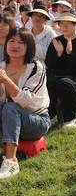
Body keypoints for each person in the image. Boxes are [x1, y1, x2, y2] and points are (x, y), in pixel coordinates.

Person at [0, 28, 50, 179]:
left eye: (21, 42)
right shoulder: (2, 66)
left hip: (37, 120)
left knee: (11, 107)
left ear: (29, 46)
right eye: (12, 41)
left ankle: (11, 162)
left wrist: (6, 80)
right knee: (7, 107)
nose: (15, 45)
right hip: (9, 118)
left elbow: (25, 100)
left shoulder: (36, 68)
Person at [45, 12, 76, 129]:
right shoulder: (56, 41)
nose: (64, 27)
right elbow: (49, 64)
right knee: (50, 81)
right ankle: (52, 116)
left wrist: (71, 54)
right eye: (62, 24)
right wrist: (59, 54)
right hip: (58, 75)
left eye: (68, 24)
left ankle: (71, 117)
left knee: (64, 83)